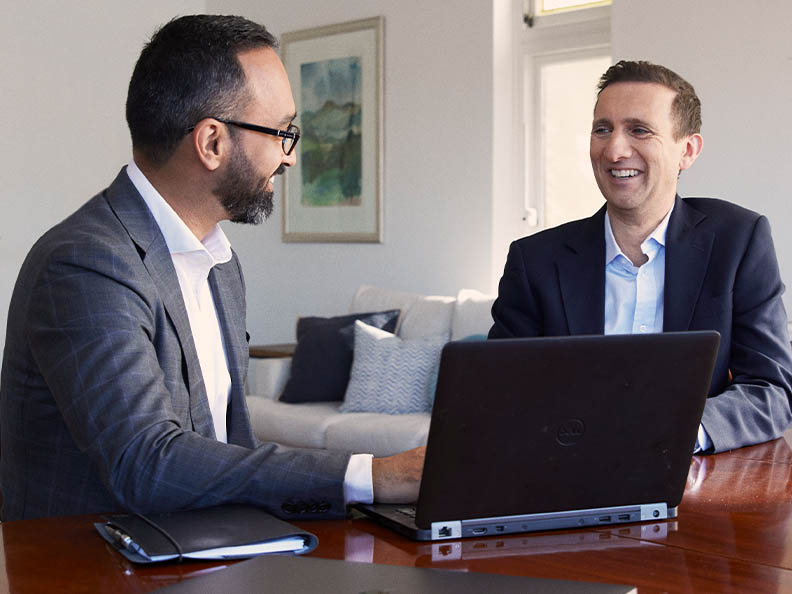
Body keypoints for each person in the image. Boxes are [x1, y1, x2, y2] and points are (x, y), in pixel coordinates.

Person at [0, 14, 423, 522]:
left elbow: (226, 448)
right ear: (212, 142)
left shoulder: (219, 262)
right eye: (283, 132)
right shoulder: (88, 264)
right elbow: (147, 462)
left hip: (211, 552)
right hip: (96, 567)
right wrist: (372, 476)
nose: (289, 158)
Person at [490, 60, 792, 454]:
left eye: (639, 130)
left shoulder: (738, 240)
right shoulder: (535, 260)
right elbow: (497, 393)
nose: (614, 150)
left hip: (690, 481)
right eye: (603, 129)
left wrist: (679, 432)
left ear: (687, 150)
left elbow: (770, 389)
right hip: (565, 472)